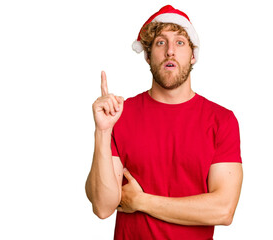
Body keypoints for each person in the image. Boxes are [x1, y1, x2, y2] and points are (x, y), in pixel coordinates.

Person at [85, 5, 243, 240]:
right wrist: (102, 131)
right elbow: (103, 206)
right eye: (161, 42)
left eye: (180, 42)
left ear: (192, 55)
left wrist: (142, 201)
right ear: (148, 55)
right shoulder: (121, 115)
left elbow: (223, 210)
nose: (170, 51)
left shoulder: (221, 120)